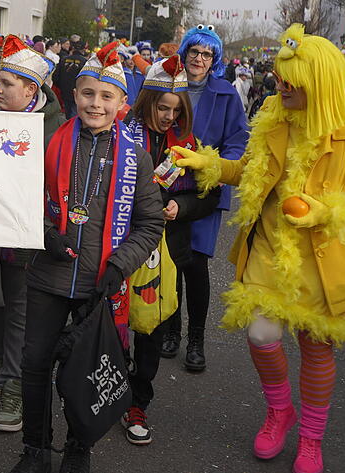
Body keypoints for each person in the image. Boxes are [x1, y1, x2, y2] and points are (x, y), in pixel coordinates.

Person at [174, 24, 345, 473]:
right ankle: (280, 411)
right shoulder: (274, 112)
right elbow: (249, 170)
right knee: (261, 334)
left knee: (316, 345)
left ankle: (311, 437)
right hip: (270, 244)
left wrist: (326, 211)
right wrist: (207, 163)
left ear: (320, 83)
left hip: (325, 253)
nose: (280, 86)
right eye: (278, 77)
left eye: (290, 81)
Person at [8, 43, 164, 473]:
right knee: (35, 364)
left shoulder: (136, 157)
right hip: (48, 277)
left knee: (87, 369)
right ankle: (35, 449)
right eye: (88, 94)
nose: (96, 103)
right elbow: (21, 198)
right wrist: (45, 234)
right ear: (74, 95)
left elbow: (150, 223)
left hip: (100, 285)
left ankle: (79, 447)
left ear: (122, 102)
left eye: (106, 96)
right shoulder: (48, 141)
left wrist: (120, 265)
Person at [122, 46, 221, 446]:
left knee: (150, 333)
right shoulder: (121, 134)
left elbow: (210, 195)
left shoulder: (189, 144)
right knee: (112, 329)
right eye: (163, 108)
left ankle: (137, 403)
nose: (169, 117)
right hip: (119, 247)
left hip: (164, 254)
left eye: (176, 110)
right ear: (148, 101)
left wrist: (182, 207)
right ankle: (107, 393)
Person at [0, 37, 63, 434]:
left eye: (6, 83)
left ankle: (14, 384)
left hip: (26, 240)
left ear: (31, 90)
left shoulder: (56, 130)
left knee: (21, 314)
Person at [159, 24, 248, 371]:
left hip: (205, 190)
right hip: (168, 185)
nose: (199, 58)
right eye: (194, 52)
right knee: (170, 260)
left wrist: (217, 168)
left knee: (195, 264)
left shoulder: (226, 94)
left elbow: (238, 142)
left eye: (206, 54)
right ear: (185, 54)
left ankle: (196, 339)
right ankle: (171, 331)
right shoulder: (168, 86)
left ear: (215, 60)